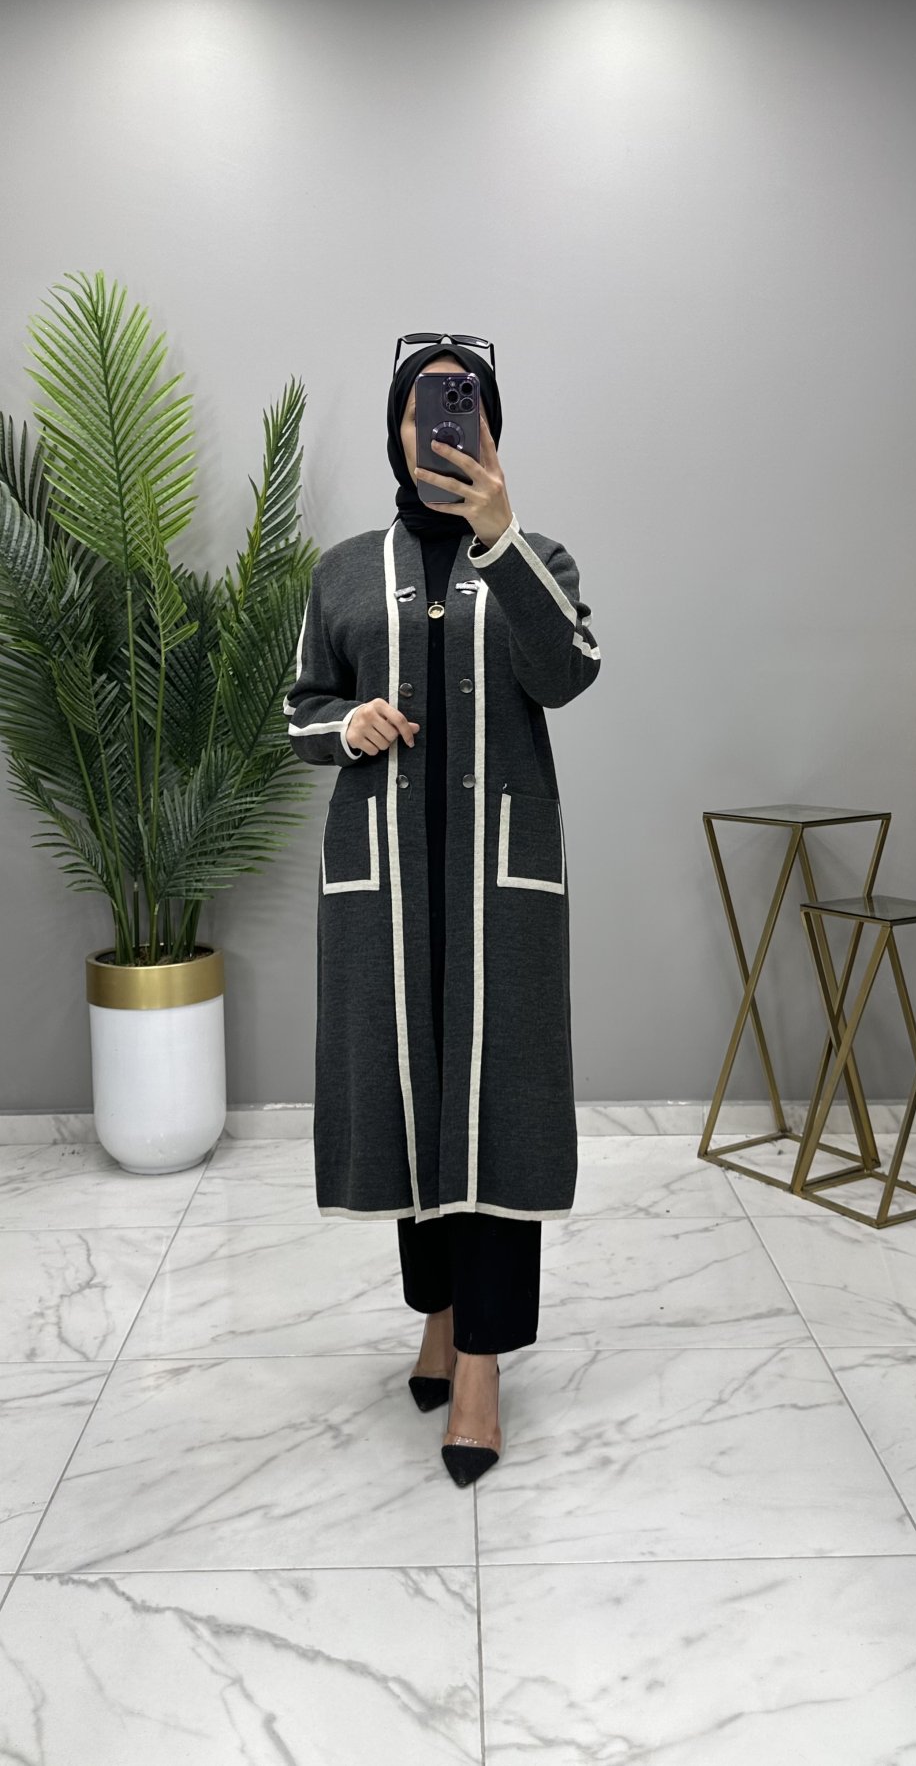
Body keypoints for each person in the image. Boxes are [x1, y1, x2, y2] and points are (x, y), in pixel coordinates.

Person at [284, 335, 601, 1486]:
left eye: (462, 408)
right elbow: (300, 707)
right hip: (383, 881)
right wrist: (348, 725)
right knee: (408, 1102)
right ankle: (437, 1314)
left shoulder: (537, 555)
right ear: (396, 431)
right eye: (422, 410)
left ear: (491, 428)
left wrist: (501, 536)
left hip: (495, 885)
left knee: (497, 1109)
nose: (441, 427)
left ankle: (479, 1363)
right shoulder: (341, 570)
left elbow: (567, 672)